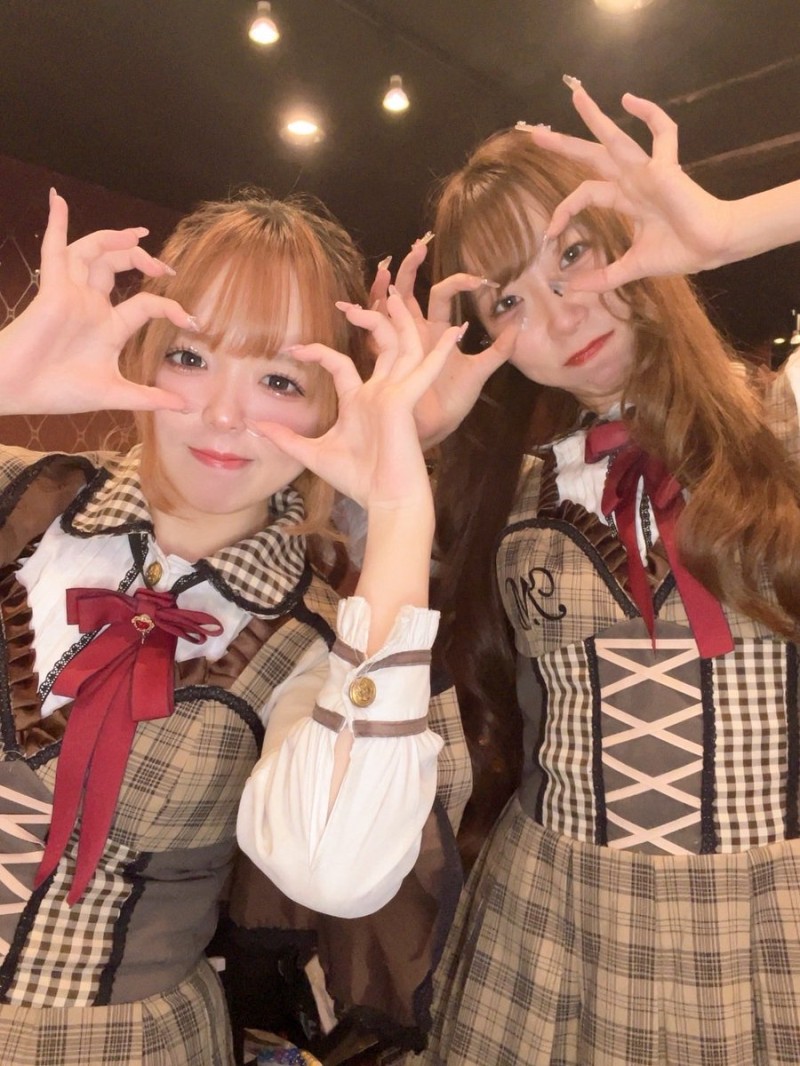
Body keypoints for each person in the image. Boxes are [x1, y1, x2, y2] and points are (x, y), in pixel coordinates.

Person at [0, 188, 472, 1064]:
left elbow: (336, 869)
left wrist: (402, 512)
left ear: (333, 407)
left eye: (279, 380)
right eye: (190, 356)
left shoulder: (317, 643)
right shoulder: (17, 501)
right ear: (145, 353)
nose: (224, 414)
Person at [390, 84, 800, 1064]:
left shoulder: (785, 425)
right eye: (507, 299)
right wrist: (399, 444)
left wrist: (730, 229)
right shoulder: (502, 493)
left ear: (627, 228)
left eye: (570, 252)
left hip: (762, 922)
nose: (559, 309)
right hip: (549, 927)